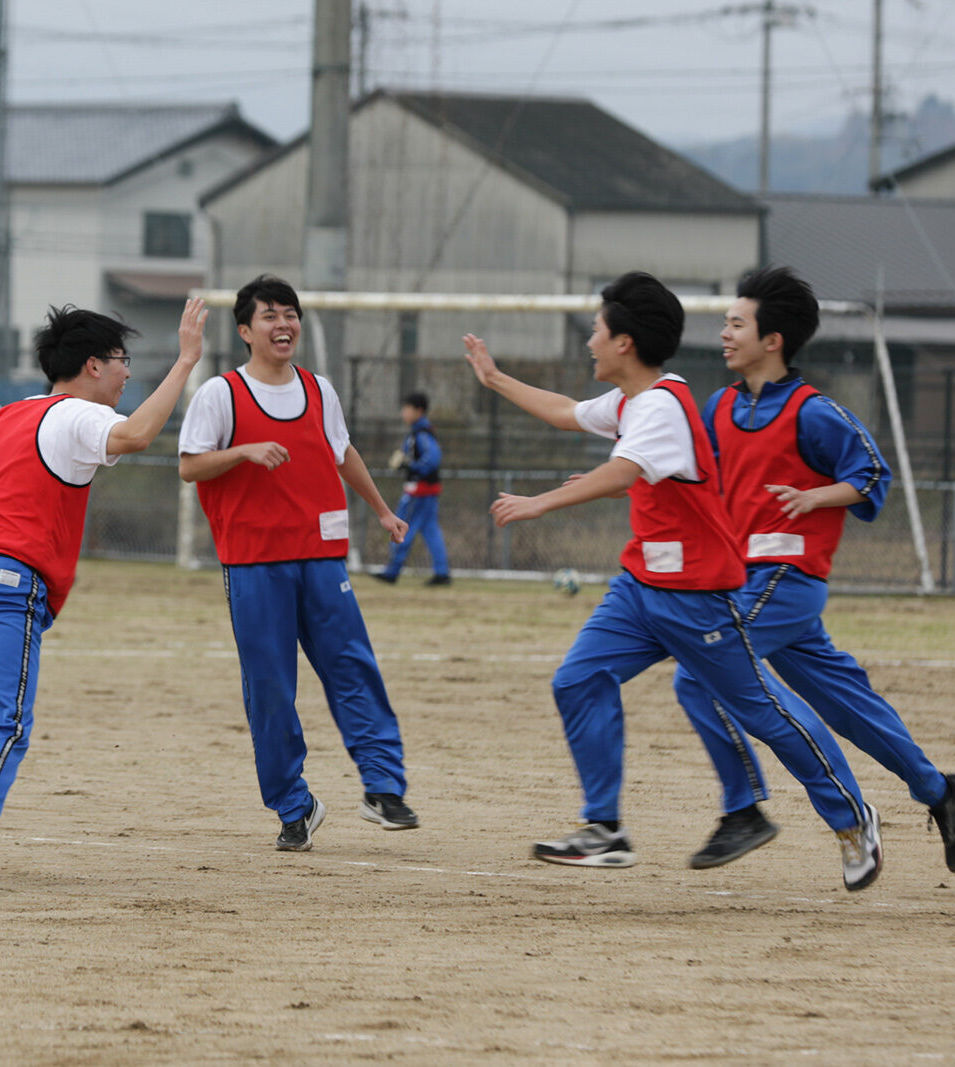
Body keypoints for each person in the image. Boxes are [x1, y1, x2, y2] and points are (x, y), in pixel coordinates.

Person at [461, 271, 882, 892]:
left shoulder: (662, 404)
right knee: (579, 678)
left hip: (694, 597)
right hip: (638, 591)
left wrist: (539, 503)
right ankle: (604, 829)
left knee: (763, 712)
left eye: (597, 333)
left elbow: (623, 472)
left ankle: (852, 817)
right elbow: (565, 413)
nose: (590, 344)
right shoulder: (637, 397)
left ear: (625, 342)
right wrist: (495, 379)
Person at [0, 299, 207, 893]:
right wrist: (186, 362)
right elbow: (139, 434)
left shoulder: (9, 416)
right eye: (123, 361)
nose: (129, 374)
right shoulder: (79, 415)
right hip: (3, 582)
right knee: (5, 724)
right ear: (93, 365)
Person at [673, 266, 955, 873]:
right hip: (744, 581)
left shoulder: (815, 413)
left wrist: (818, 496)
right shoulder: (720, 406)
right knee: (847, 704)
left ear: (773, 340)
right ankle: (943, 792)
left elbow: (872, 475)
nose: (725, 333)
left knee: (698, 674)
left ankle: (751, 811)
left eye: (737, 323)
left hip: (787, 577)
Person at [178, 274, 419, 852]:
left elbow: (343, 453)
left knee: (352, 668)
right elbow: (190, 466)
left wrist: (383, 511)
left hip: (320, 558)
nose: (283, 324)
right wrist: (242, 451)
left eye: (290, 314)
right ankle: (293, 805)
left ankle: (383, 787)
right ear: (244, 330)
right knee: (270, 689)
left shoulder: (319, 389)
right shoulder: (220, 394)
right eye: (269, 315)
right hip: (254, 563)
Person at [374, 391, 451, 586]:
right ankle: (442, 572)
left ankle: (392, 571)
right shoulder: (419, 433)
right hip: (427, 491)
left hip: (418, 491)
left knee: (401, 527)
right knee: (431, 530)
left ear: (419, 411)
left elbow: (432, 458)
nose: (403, 413)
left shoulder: (421, 434)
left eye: (406, 409)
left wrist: (409, 466)